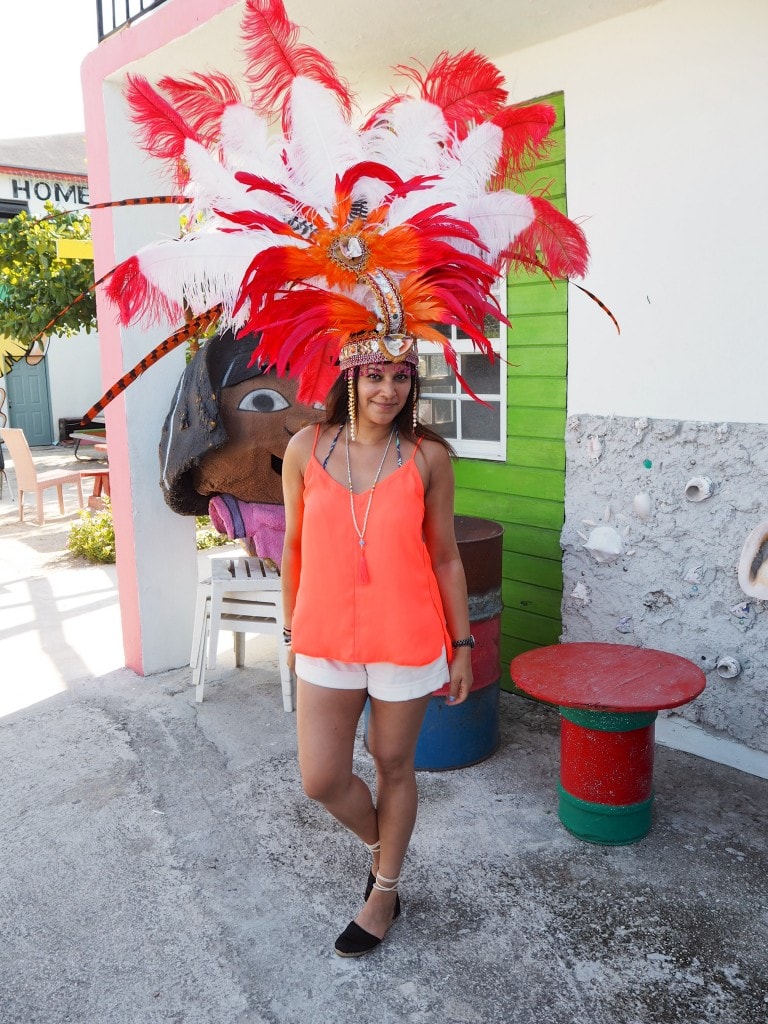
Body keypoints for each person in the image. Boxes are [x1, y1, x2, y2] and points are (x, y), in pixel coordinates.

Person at [280, 339, 475, 958]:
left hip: (408, 637)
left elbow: (445, 556)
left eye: (399, 377)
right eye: (373, 376)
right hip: (324, 637)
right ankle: (382, 849)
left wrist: (463, 643)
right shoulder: (305, 447)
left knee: (392, 762)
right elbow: (293, 546)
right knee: (322, 779)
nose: (387, 390)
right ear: (350, 378)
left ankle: (384, 893)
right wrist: (291, 631)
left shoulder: (428, 457)